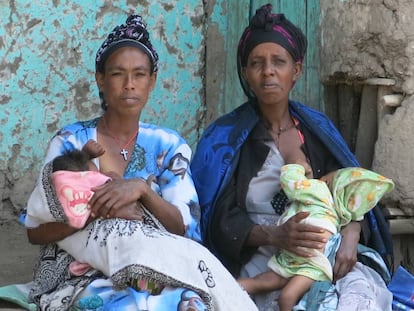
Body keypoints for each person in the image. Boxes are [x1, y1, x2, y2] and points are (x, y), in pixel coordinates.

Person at [23, 14, 258, 311]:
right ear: (101, 79)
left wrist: (141, 191)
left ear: (152, 82)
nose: (129, 85)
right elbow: (36, 230)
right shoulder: (70, 141)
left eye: (139, 74)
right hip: (81, 274)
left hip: (159, 269)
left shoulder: (169, 145)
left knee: (194, 305)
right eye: (118, 74)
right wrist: (99, 211)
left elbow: (184, 228)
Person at [191, 3, 393, 310]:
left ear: (295, 70)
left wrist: (351, 233)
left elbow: (352, 191)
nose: (268, 71)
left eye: (278, 62)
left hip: (323, 254)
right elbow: (216, 218)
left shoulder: (318, 130)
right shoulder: (225, 139)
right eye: (256, 63)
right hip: (261, 259)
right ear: (246, 73)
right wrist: (277, 235)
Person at [238, 164, 394, 310]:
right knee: (287, 297)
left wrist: (295, 167)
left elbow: (291, 183)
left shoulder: (318, 190)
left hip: (298, 258)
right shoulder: (340, 213)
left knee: (262, 283)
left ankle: (222, 286)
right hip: (310, 264)